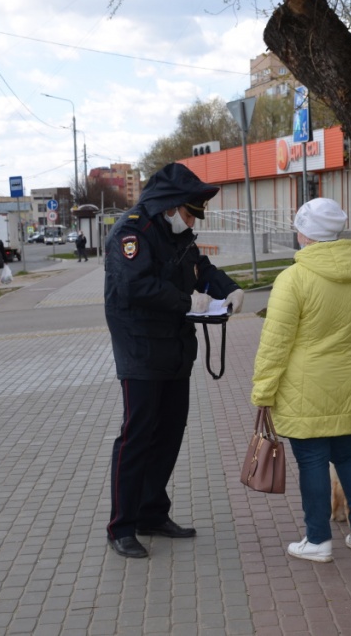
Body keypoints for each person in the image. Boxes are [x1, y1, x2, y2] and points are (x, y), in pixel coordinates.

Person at [103, 162, 246, 559]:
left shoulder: (174, 232)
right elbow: (136, 285)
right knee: (136, 437)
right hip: (141, 348)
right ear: (169, 206)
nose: (189, 220)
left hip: (174, 348)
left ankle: (152, 513)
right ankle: (122, 526)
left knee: (169, 434)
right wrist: (188, 301)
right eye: (187, 212)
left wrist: (228, 289)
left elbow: (199, 267)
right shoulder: (132, 232)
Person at [251, 198, 351, 563]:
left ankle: (318, 539)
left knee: (312, 461)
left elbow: (275, 342)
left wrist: (263, 389)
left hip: (304, 387)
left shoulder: (293, 279)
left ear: (305, 235)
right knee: (349, 456)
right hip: (350, 383)